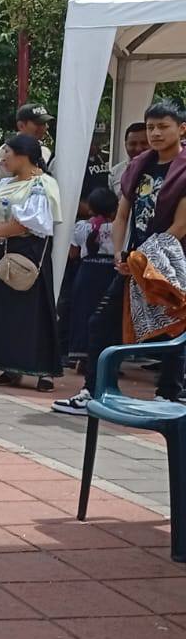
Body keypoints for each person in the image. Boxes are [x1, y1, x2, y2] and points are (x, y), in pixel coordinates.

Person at [57, 100, 186, 414]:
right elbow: (122, 215)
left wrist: (147, 259)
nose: (155, 133)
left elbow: (181, 224)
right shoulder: (139, 167)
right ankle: (95, 390)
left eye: (163, 127)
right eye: (151, 127)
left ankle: (168, 395)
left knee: (174, 326)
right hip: (133, 262)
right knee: (101, 323)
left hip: (173, 261)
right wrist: (119, 253)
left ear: (182, 129)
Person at [0, 134, 63, 390]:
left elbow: (31, 222)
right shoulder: (5, 184)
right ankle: (9, 366)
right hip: (1, 252)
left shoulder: (43, 184)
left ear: (24, 155)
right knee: (4, 311)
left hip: (27, 253)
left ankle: (43, 369)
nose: (3, 158)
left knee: (33, 312)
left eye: (8, 153)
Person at [64, 186, 119, 373]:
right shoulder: (119, 227)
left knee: (83, 313)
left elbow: (73, 254)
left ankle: (82, 357)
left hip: (86, 273)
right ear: (114, 209)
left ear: (90, 208)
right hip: (110, 273)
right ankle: (107, 359)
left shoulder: (81, 227)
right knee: (108, 315)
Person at [0, 103, 53, 179]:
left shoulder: (45, 151)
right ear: (21, 126)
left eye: (45, 123)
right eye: (39, 123)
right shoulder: (5, 152)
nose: (46, 127)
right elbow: (3, 183)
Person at [110, 121, 150, 193]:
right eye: (133, 144)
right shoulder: (115, 173)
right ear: (126, 145)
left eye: (144, 143)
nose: (138, 148)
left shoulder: (164, 170)